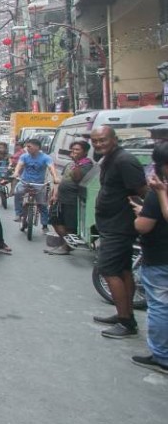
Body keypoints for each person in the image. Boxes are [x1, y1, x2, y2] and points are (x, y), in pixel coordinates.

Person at [89, 126, 148, 338]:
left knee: (108, 270)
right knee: (123, 270)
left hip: (119, 227)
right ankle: (125, 314)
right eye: (95, 141)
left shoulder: (125, 161)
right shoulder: (110, 159)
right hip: (112, 225)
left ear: (114, 139)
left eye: (103, 140)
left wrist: (144, 215)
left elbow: (143, 191)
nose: (98, 144)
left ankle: (126, 323)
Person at [131, 142, 168, 373]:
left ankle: (162, 356)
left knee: (160, 306)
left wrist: (139, 215)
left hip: (160, 257)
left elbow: (143, 226)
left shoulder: (158, 192)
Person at [47, 140, 94, 255]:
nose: (74, 152)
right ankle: (67, 243)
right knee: (55, 219)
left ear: (85, 152)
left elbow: (77, 178)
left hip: (73, 199)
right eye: (72, 149)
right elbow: (62, 180)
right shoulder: (70, 164)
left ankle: (66, 247)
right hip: (61, 198)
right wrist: (55, 195)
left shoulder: (87, 165)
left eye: (77, 150)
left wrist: (77, 162)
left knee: (70, 225)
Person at [12, 138, 58, 229]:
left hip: (39, 184)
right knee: (17, 192)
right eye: (27, 147)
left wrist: (55, 177)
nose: (27, 148)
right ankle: (18, 214)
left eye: (29, 146)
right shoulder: (24, 156)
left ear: (37, 147)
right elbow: (19, 165)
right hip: (25, 182)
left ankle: (44, 224)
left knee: (42, 204)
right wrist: (16, 173)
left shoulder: (46, 158)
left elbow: (51, 168)